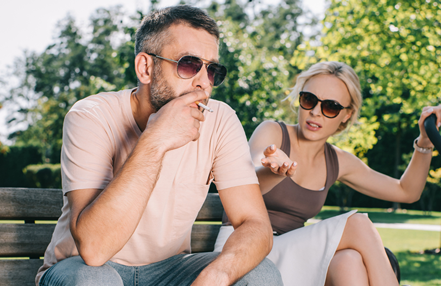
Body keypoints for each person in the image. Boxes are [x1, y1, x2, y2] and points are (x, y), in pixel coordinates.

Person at [36, 5, 282, 286]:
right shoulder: (90, 116)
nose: (204, 83)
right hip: (84, 267)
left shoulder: (221, 120)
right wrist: (155, 139)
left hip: (170, 270)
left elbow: (255, 224)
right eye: (189, 64)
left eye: (212, 70)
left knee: (261, 274)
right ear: (145, 67)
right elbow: (94, 249)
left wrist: (217, 276)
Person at [214, 61, 441, 286]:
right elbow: (246, 186)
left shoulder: (337, 161)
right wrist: (274, 172)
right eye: (309, 100)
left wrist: (426, 143)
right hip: (243, 250)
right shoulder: (273, 132)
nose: (316, 112)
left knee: (349, 261)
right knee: (356, 224)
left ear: (346, 115)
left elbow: (407, 191)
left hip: (288, 262)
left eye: (331, 106)